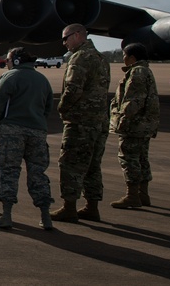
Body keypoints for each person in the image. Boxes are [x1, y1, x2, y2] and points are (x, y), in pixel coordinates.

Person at [0, 48, 56, 230]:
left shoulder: (10, 77)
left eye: (9, 59)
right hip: (38, 131)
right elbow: (48, 106)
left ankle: (7, 215)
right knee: (38, 173)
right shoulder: (42, 79)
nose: (7, 62)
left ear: (16, 61)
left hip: (12, 130)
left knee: (8, 171)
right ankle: (45, 216)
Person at [51, 23, 111, 223]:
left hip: (80, 122)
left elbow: (72, 90)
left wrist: (62, 108)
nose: (64, 43)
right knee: (93, 165)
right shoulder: (102, 59)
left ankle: (69, 207)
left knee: (70, 164)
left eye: (65, 38)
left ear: (77, 35)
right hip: (99, 121)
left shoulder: (79, 58)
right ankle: (92, 207)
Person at [109, 43, 161, 209]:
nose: (123, 58)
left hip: (134, 125)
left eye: (124, 55)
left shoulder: (137, 73)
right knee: (141, 159)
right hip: (144, 126)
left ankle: (132, 196)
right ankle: (143, 195)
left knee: (129, 158)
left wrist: (121, 118)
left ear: (132, 57)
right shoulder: (146, 71)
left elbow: (133, 101)